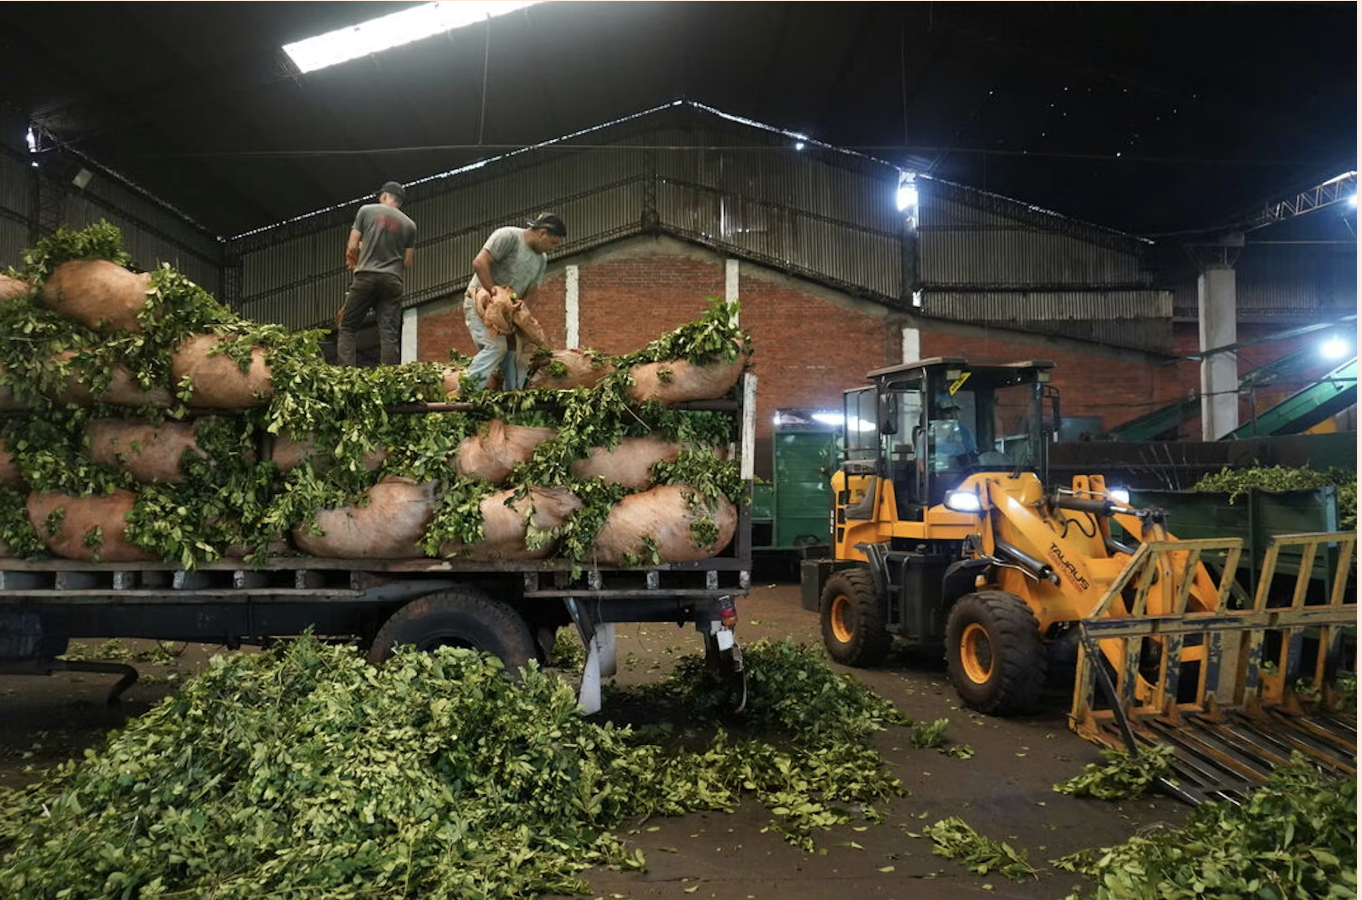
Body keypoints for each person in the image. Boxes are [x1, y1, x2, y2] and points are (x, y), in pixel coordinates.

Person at [464, 212, 566, 390]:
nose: (553, 248)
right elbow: (480, 262)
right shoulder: (508, 236)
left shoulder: (541, 260)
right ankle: (466, 391)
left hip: (507, 312)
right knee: (496, 347)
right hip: (482, 304)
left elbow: (532, 290)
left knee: (513, 355)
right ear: (542, 233)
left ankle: (510, 399)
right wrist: (494, 291)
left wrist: (522, 307)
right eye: (553, 243)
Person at [338, 181, 416, 367]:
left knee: (347, 327)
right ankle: (389, 377)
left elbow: (351, 247)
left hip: (366, 276)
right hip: (392, 281)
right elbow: (407, 262)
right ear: (400, 203)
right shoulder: (410, 225)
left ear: (383, 196)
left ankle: (347, 375)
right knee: (388, 333)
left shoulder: (366, 211)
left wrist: (357, 260)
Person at [928, 392, 977, 471]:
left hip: (961, 474)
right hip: (935, 473)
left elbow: (972, 456)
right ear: (937, 413)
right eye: (948, 411)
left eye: (955, 411)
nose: (953, 415)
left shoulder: (964, 431)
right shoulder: (929, 432)